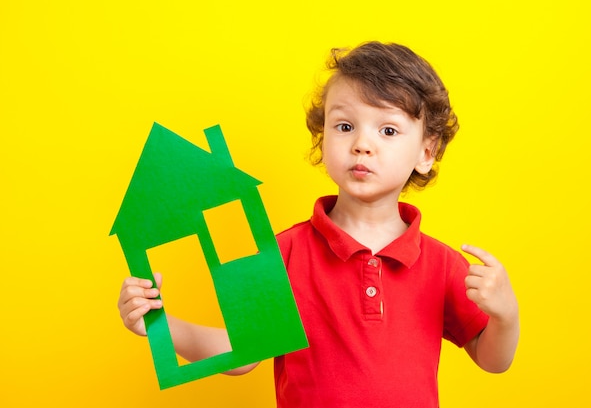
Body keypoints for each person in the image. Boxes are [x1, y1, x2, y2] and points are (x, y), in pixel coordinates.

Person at [118, 41, 519, 407]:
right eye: (345, 126)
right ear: (322, 136)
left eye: (388, 130)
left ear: (426, 152)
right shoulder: (285, 251)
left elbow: (493, 359)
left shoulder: (442, 265)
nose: (362, 143)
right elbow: (239, 353)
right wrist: (157, 324)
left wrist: (505, 315)